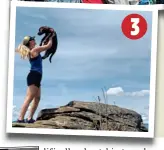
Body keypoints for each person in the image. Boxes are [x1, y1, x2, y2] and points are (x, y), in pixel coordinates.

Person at [15, 35, 53, 123]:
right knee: (29, 98)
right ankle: (20, 119)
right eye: (33, 39)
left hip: (36, 76)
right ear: (30, 42)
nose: (35, 40)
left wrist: (44, 42)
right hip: (34, 76)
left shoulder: (34, 50)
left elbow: (44, 46)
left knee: (37, 98)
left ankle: (30, 118)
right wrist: (51, 37)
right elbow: (48, 46)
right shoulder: (35, 50)